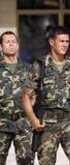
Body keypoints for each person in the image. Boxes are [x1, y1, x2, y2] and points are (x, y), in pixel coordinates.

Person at [22, 26, 70, 165]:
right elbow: (26, 96)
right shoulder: (39, 65)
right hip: (46, 123)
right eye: (61, 41)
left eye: (67, 41)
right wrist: (33, 119)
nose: (65, 44)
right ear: (52, 42)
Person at [0, 31, 32, 165]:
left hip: (23, 124)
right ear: (1, 47)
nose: (11, 44)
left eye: (14, 42)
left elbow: (34, 95)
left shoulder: (28, 69)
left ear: (18, 45)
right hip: (1, 124)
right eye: (8, 42)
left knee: (25, 160)